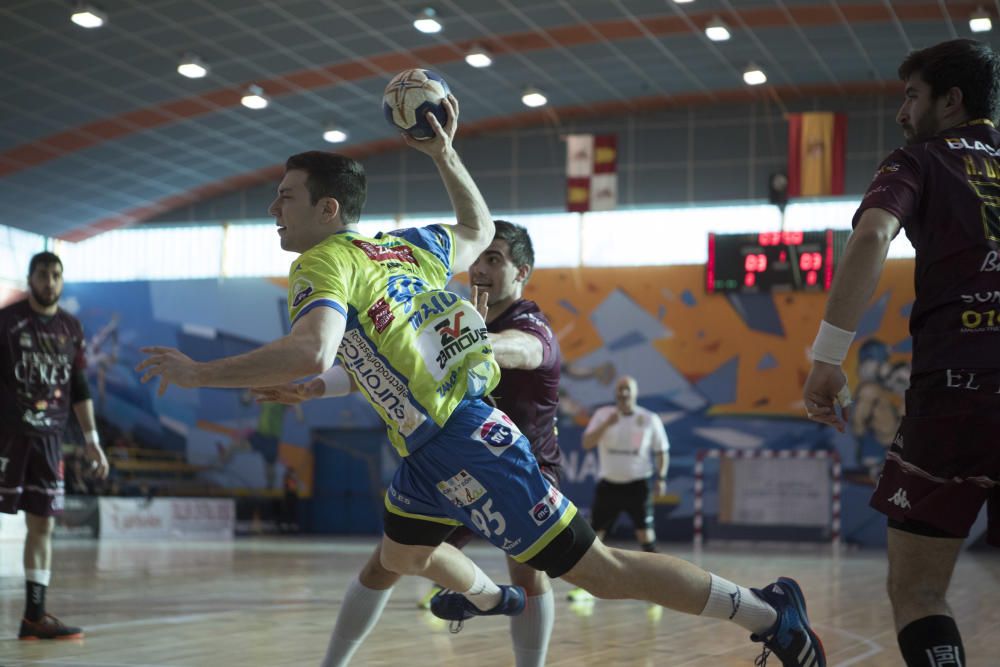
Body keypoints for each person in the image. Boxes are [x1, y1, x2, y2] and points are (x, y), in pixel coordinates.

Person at [137, 97, 825, 667]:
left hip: (471, 441)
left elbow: (310, 349)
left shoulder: (323, 265)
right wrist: (443, 153)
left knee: (602, 572)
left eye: (284, 197)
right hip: (425, 450)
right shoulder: (405, 246)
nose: (272, 209)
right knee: (403, 553)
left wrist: (201, 372)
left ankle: (769, 613)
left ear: (328, 211)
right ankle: (493, 600)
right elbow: (476, 226)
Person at [256, 219, 565, 667]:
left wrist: (472, 339)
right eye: (477, 257)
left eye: (494, 259)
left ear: (523, 272)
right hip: (453, 462)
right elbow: (397, 363)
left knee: (529, 569)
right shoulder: (451, 311)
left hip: (522, 463)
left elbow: (528, 350)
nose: (478, 268)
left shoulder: (527, 321)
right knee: (387, 563)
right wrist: (313, 388)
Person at [802, 38, 1000, 667]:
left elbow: (872, 234)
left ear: (951, 99)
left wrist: (829, 357)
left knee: (917, 591)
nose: (901, 113)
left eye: (911, 96)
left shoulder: (921, 161)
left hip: (956, 396)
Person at [0, 251, 110, 639]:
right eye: (43, 274)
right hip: (6, 437)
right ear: (30, 278)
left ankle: (34, 616)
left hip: (49, 439)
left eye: (56, 275)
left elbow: (79, 387)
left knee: (42, 525)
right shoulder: (6, 321)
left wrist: (92, 440)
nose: (50, 281)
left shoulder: (71, 328)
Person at [567, 375, 669, 602]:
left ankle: (658, 588)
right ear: (615, 393)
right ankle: (586, 588)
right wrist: (606, 425)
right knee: (593, 539)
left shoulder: (649, 419)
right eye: (620, 390)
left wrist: (661, 478)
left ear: (635, 393)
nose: (623, 394)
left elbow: (662, 451)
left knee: (646, 537)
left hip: (638, 485)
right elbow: (586, 443)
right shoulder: (603, 415)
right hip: (609, 486)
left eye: (628, 390)